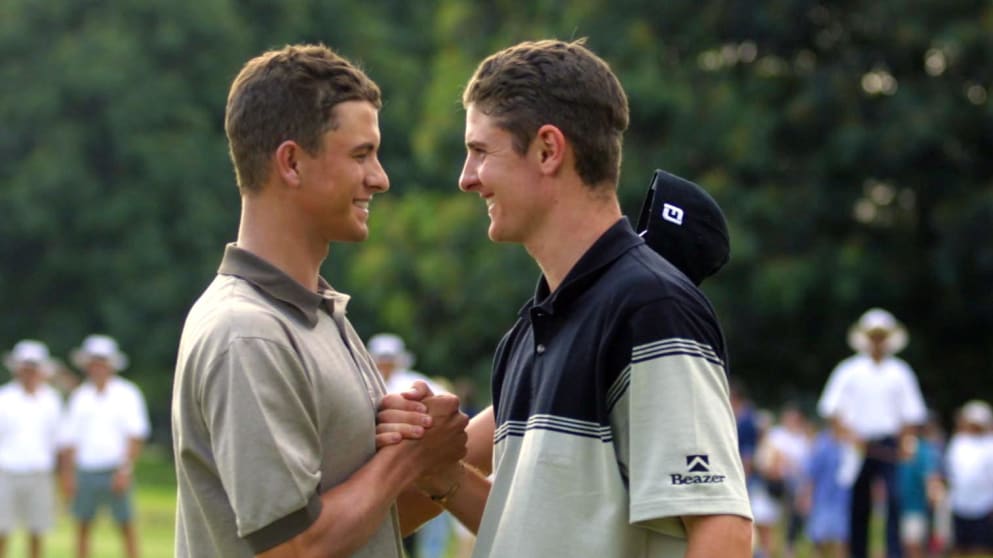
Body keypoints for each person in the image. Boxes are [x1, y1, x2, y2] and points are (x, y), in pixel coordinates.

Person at [380, 38, 753, 557]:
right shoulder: (531, 332)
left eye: (480, 151)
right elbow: (535, 532)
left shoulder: (649, 308)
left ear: (549, 150)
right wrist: (445, 476)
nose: (467, 179)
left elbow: (722, 532)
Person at [170, 43, 468, 558]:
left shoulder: (318, 315)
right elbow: (294, 548)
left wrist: (457, 437)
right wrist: (406, 461)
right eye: (361, 154)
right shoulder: (247, 333)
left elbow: (374, 523)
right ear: (291, 162)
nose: (380, 177)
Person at [817, 308, 928, 558]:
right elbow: (831, 411)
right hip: (858, 445)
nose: (877, 341)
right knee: (859, 505)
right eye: (873, 335)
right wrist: (848, 435)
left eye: (882, 335)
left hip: (888, 444)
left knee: (894, 501)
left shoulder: (900, 371)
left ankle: (894, 553)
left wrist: (906, 442)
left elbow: (911, 414)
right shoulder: (848, 370)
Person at [58, 334, 150, 558]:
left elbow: (135, 436)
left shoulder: (127, 393)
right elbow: (70, 441)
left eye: (101, 363)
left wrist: (125, 469)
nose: (97, 368)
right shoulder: (80, 396)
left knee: (126, 525)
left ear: (110, 365)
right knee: (82, 525)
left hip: (115, 469)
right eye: (93, 364)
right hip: (86, 470)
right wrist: (68, 475)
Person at [367, 332, 453, 558]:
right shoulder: (362, 384)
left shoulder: (414, 383)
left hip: (422, 464)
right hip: (379, 469)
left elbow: (448, 415)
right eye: (381, 360)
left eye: (389, 360)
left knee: (431, 531)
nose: (385, 365)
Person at [0, 340, 64, 558]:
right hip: (6, 472)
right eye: (25, 368)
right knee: (2, 530)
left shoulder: (51, 400)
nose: (29, 373)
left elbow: (58, 442)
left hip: (39, 472)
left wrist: (63, 478)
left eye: (33, 368)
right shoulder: (4, 397)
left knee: (37, 531)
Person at [944, 400, 993, 557]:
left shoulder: (990, 444)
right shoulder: (958, 442)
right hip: (959, 503)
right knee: (960, 548)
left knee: (982, 549)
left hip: (984, 505)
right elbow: (950, 472)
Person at [800, 419, 852, 558]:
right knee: (820, 541)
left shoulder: (850, 443)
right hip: (822, 499)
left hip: (844, 500)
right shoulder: (822, 444)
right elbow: (812, 474)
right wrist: (807, 497)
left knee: (841, 541)